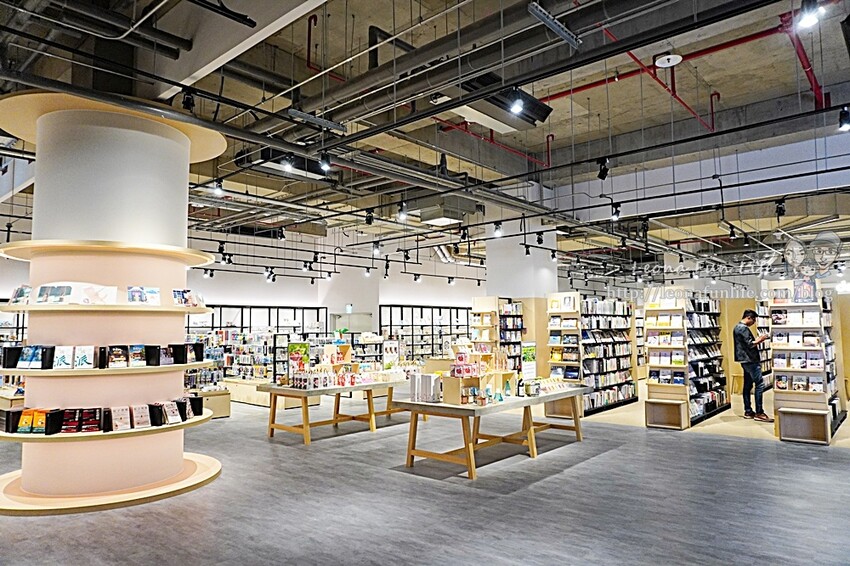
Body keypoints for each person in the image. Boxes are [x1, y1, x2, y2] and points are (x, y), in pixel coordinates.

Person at [734, 309, 773, 422]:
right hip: (750, 360)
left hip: (744, 360)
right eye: (754, 320)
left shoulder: (737, 327)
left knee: (747, 385)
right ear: (749, 318)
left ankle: (748, 411)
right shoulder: (743, 328)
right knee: (759, 384)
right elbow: (750, 344)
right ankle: (759, 412)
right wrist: (761, 339)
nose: (754, 322)